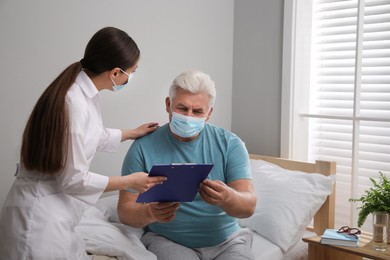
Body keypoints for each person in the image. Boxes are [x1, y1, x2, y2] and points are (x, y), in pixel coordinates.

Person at [0, 27, 166, 260]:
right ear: (116, 73)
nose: (131, 77)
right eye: (132, 72)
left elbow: (90, 134)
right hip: (39, 220)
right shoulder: (73, 102)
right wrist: (129, 182)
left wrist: (131, 133)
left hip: (56, 214)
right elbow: (74, 179)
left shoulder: (83, 92)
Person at [118, 70, 257, 260]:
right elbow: (125, 211)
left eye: (198, 111)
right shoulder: (143, 147)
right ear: (168, 105)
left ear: (209, 113)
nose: (189, 116)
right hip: (168, 240)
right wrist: (150, 212)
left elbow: (248, 206)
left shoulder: (230, 144)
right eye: (182, 108)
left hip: (227, 242)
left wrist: (227, 197)